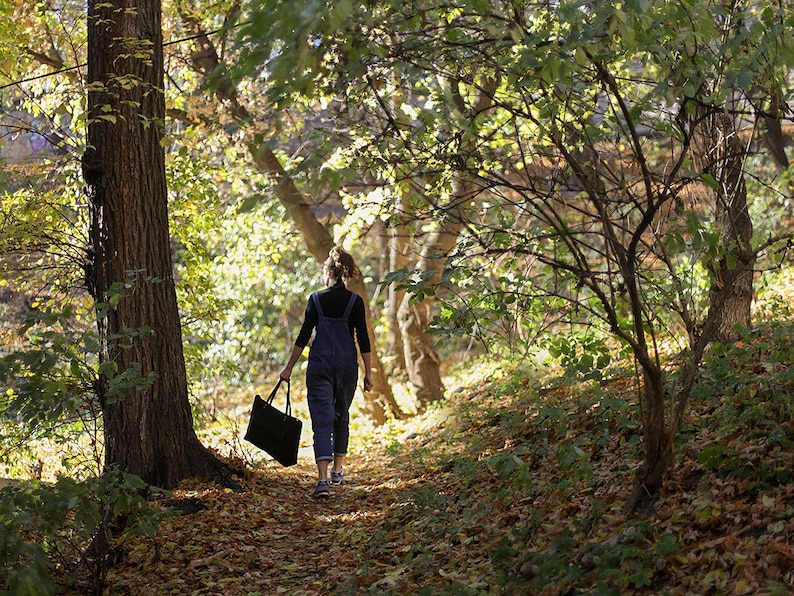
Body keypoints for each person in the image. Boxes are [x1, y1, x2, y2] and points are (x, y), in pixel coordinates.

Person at [280, 246, 373, 498]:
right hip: (346, 366)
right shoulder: (355, 301)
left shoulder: (316, 299)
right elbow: (363, 338)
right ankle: (338, 470)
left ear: (329, 271)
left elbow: (303, 335)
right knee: (341, 415)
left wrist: (288, 367)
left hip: (319, 365)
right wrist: (368, 372)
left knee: (322, 420)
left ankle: (322, 481)